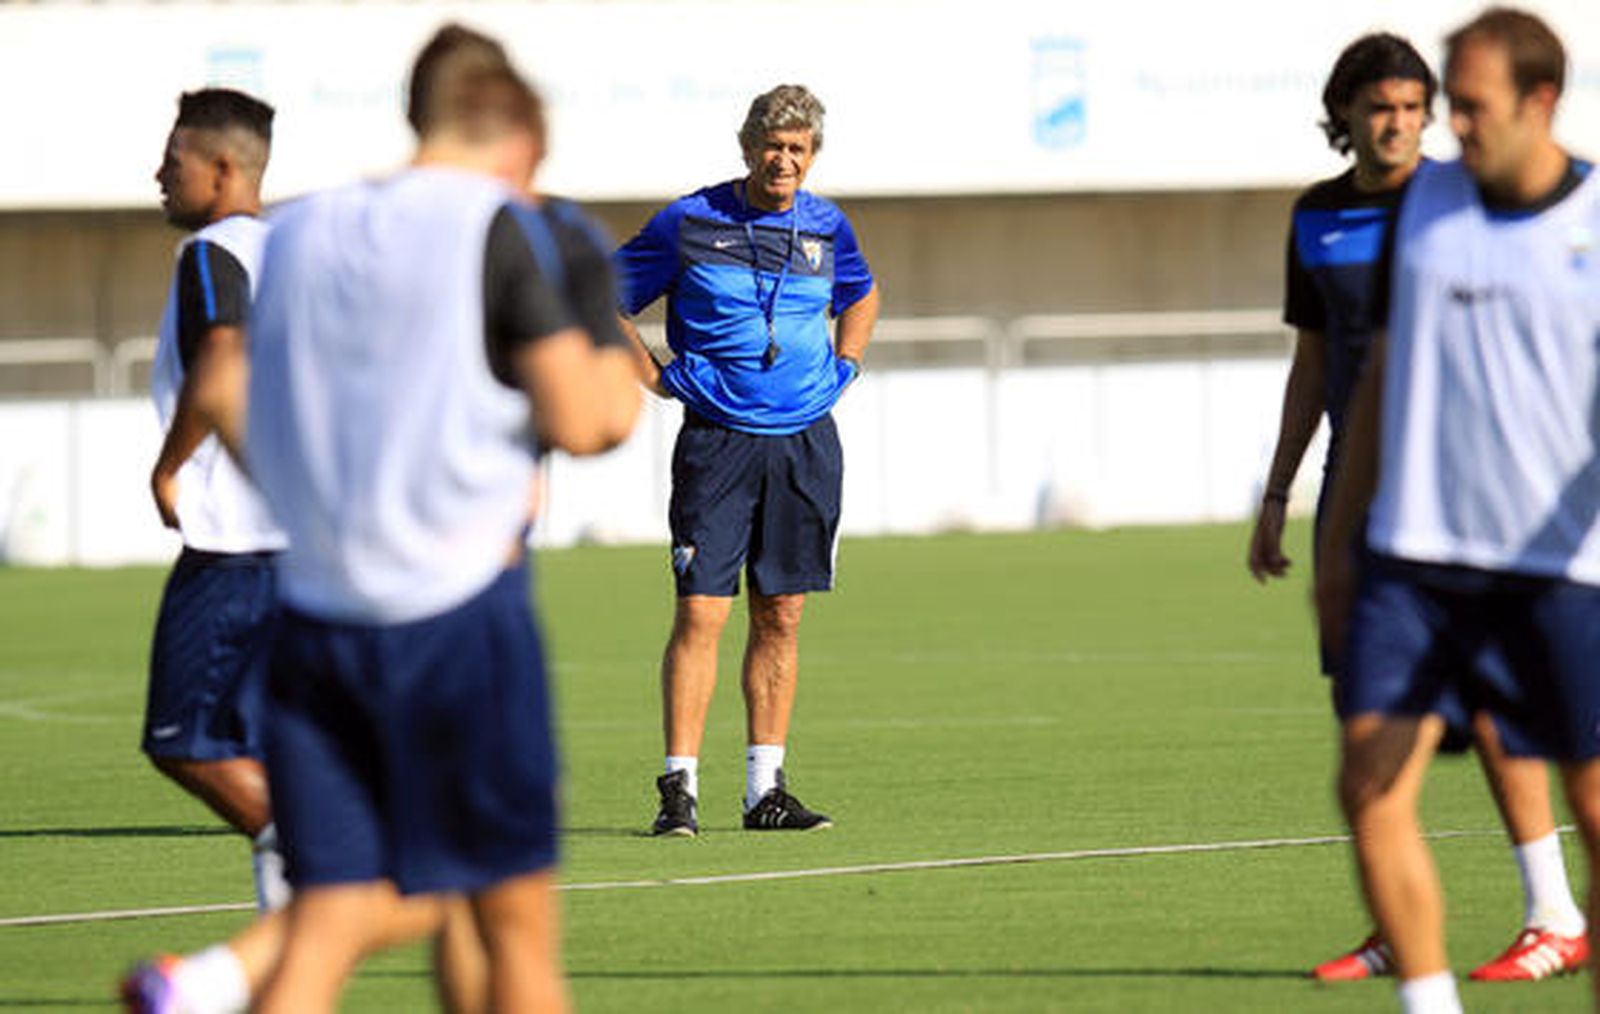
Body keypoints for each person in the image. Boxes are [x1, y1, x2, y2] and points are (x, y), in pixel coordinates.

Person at [191, 41, 632, 1014]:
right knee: (511, 929)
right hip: (457, 617)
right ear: (525, 140)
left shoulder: (300, 229)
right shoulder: (505, 229)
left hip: (312, 623)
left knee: (319, 935)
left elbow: (223, 384)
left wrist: (308, 501)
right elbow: (588, 420)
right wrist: (598, 314)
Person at [1248, 30, 1586, 983]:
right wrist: (1281, 490)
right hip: (1364, 497)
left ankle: (1551, 910)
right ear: (1345, 114)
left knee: (1495, 717)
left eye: (1415, 107)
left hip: (1473, 500)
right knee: (1373, 729)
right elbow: (1317, 362)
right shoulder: (1319, 216)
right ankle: (1404, 930)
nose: (1401, 125)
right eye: (1380, 107)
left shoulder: (1464, 199)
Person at [615, 83, 879, 836]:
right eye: (772, 146)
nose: (783, 160)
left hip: (804, 442)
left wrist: (847, 364)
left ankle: (765, 790)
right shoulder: (690, 220)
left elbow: (862, 293)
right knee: (702, 610)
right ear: (746, 147)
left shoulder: (828, 226)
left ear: (813, 155)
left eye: (797, 149)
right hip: (718, 442)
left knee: (783, 615)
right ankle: (679, 789)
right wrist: (658, 376)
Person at [141, 87, 289, 915]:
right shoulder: (292, 255)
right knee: (261, 740)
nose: (159, 175)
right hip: (303, 539)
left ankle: (315, 850)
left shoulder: (213, 254)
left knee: (184, 740)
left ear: (222, 168)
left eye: (174, 161)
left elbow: (221, 356)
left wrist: (169, 467)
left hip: (235, 542)